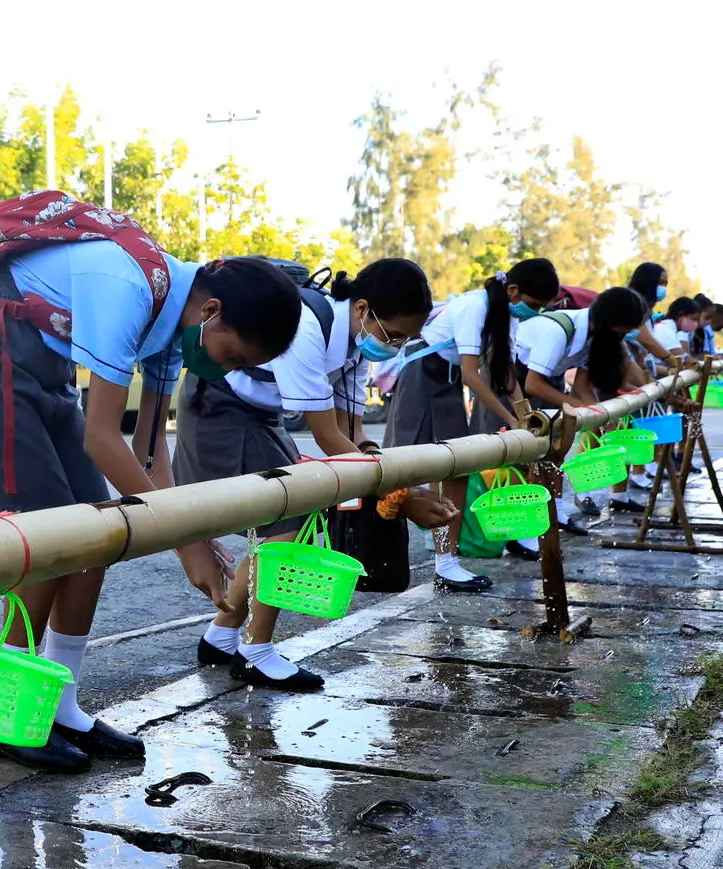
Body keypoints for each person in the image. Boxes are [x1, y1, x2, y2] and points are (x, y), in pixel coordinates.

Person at [0, 211, 302, 773]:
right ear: (211, 312)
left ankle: (61, 706)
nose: (225, 368)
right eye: (233, 356)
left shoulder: (174, 318)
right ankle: (3, 714)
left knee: (95, 535)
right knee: (46, 534)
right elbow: (101, 438)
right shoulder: (129, 287)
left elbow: (147, 452)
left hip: (43, 372)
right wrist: (185, 539)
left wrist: (200, 533)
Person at [184, 259, 451, 689]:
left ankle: (221, 635)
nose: (397, 346)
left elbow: (353, 432)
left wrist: (392, 478)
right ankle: (254, 649)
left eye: (406, 339)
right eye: (394, 334)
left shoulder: (352, 342)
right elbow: (327, 437)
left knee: (295, 512)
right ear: (362, 309)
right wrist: (405, 496)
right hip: (221, 408)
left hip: (260, 414)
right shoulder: (307, 327)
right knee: (289, 514)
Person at [385, 260, 560, 582]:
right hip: (423, 375)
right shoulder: (474, 306)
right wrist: (510, 417)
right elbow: (472, 375)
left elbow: (504, 369)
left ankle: (446, 562)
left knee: (457, 468)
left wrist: (524, 414)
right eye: (534, 305)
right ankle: (378, 553)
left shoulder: (505, 314)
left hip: (446, 380)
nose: (534, 312)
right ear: (513, 291)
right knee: (400, 470)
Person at [511, 287, 650, 533]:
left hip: (548, 380)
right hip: (514, 380)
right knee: (520, 453)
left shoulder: (596, 336)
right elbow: (533, 383)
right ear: (608, 324)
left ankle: (556, 508)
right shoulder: (559, 331)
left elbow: (582, 384)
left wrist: (597, 412)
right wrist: (579, 406)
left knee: (555, 450)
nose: (624, 337)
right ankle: (521, 529)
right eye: (623, 332)